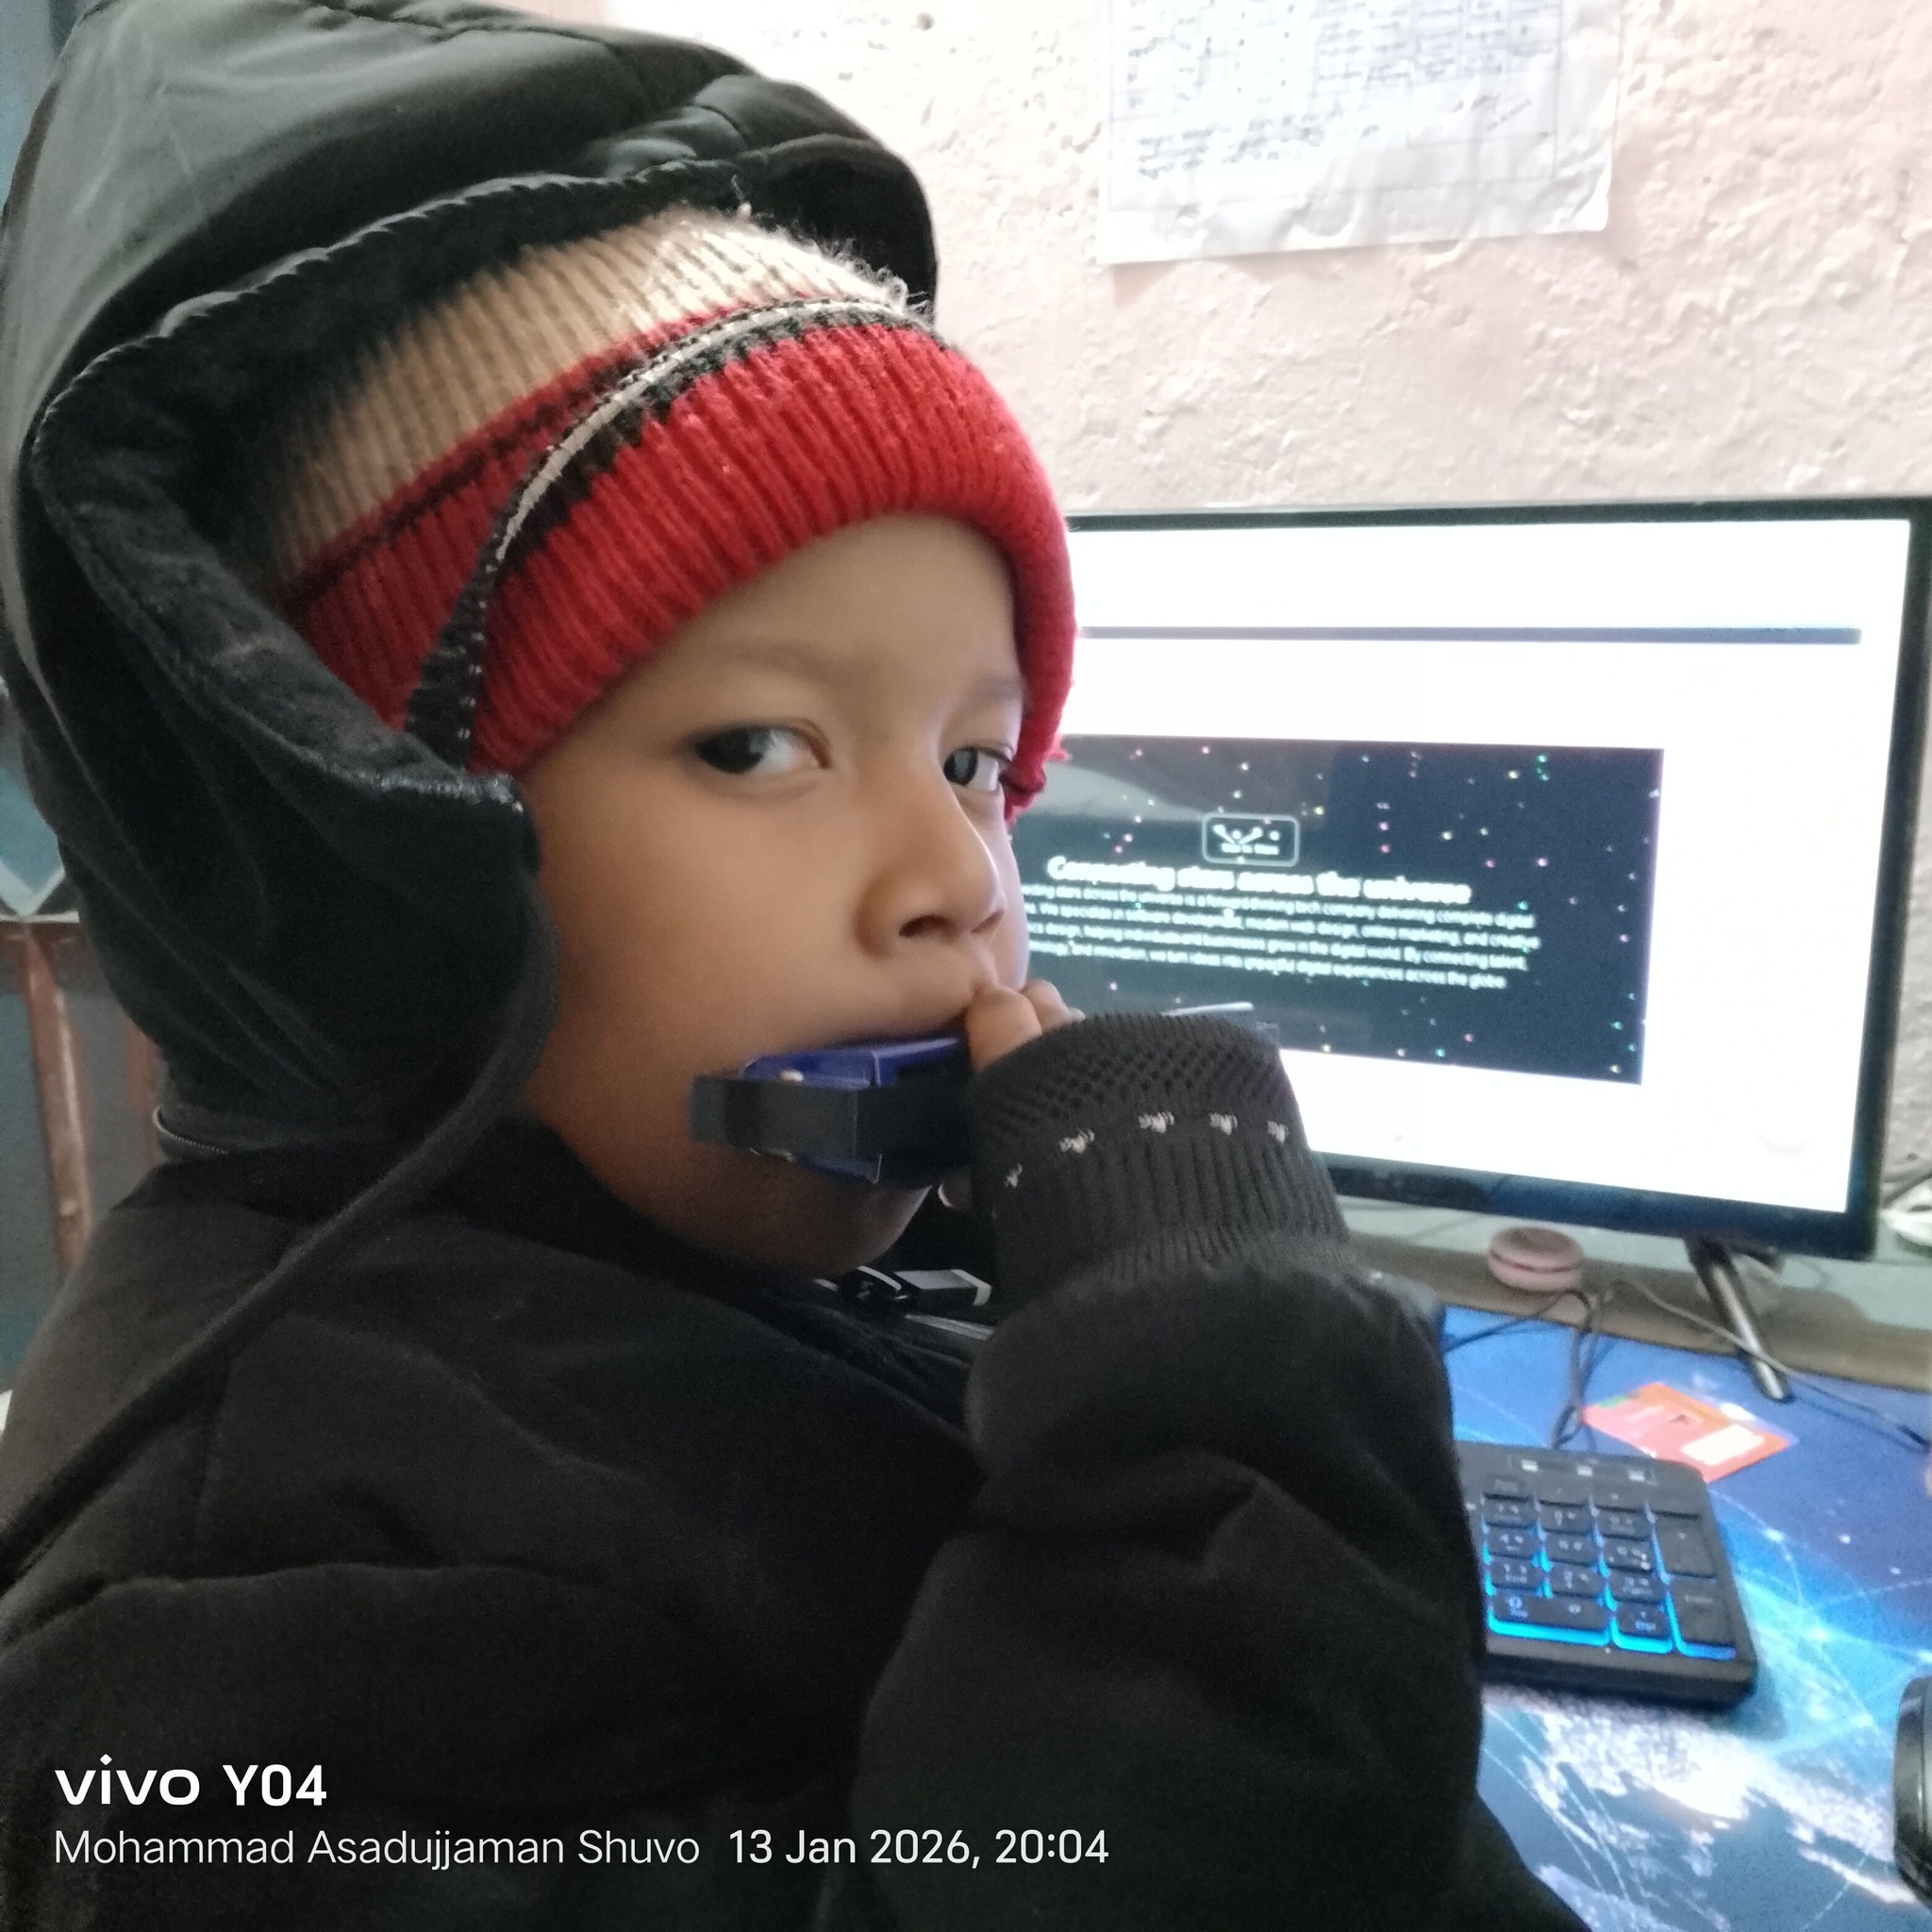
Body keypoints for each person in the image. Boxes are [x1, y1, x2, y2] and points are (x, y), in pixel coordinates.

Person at [0, 2, 1588, 1926]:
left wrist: (1082, 1312)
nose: (956, 876)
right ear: (372, 844)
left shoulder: (662, 1232)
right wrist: (1220, 1414)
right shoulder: (231, 1617)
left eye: (976, 760)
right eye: (756, 746)